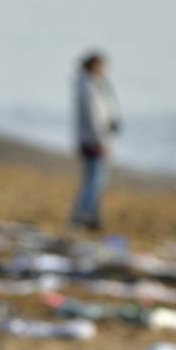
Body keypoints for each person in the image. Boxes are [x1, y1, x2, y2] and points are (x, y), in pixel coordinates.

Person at [70, 50, 120, 231]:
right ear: (94, 66)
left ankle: (93, 218)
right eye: (102, 66)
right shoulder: (89, 87)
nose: (105, 69)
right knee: (95, 181)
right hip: (94, 140)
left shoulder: (92, 85)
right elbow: (94, 117)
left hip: (90, 138)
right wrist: (102, 141)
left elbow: (102, 113)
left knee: (95, 180)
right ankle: (81, 216)